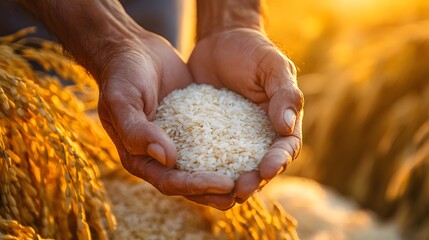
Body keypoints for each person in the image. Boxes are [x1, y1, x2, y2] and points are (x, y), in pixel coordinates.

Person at [16, 0, 304, 210]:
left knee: (142, 104)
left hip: (154, 38)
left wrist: (231, 19)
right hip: (29, 33)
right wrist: (111, 38)